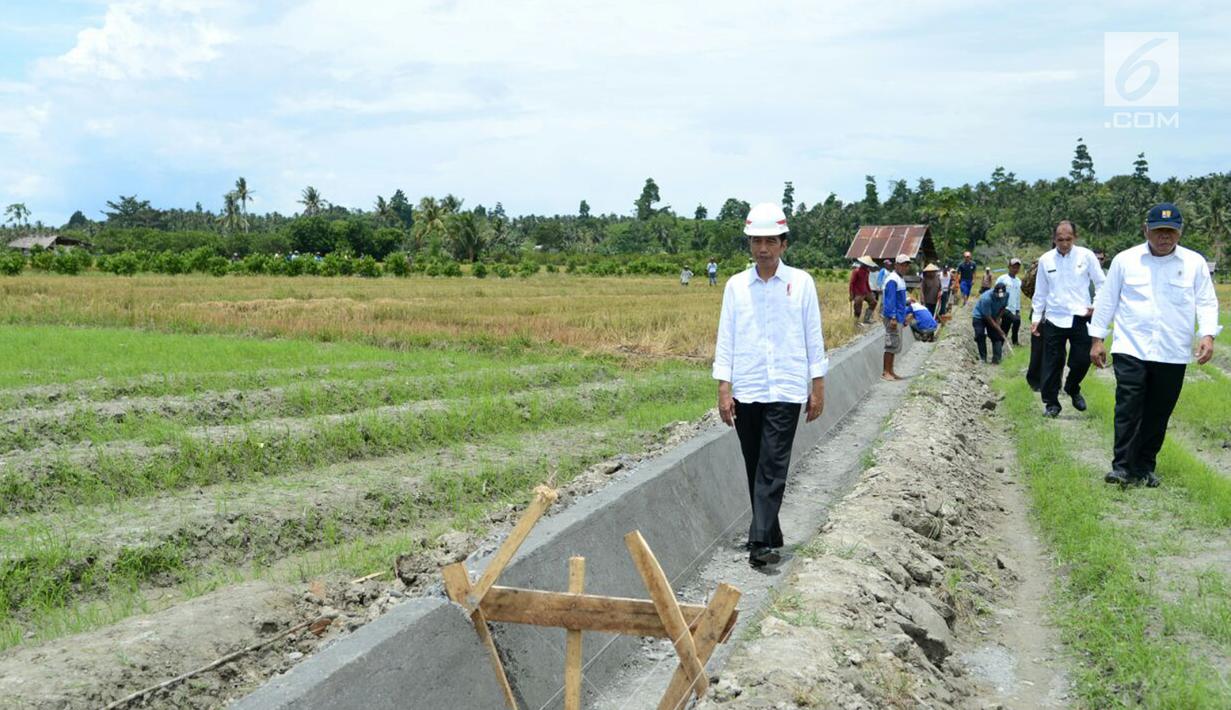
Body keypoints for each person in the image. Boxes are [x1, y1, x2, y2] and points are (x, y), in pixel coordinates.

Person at [713, 202, 827, 568]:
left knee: (773, 464)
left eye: (770, 241)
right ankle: (772, 531)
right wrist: (724, 387)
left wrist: (818, 385)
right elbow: (726, 337)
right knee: (754, 463)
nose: (763, 248)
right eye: (756, 241)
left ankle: (759, 539)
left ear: (784, 244)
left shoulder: (801, 283)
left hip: (787, 388)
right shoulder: (735, 287)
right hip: (747, 387)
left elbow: (814, 336)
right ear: (749, 244)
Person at [1090, 203, 1220, 487]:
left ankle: (1145, 466)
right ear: (1145, 229)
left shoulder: (1194, 263)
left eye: (1171, 232)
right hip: (1131, 347)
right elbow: (1107, 301)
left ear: (1180, 232)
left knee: (1158, 411)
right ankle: (1122, 467)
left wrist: (1207, 334)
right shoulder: (1126, 260)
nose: (1165, 237)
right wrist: (1098, 339)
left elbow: (1207, 302)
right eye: (1159, 231)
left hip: (1172, 351)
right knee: (1128, 406)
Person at [1032, 220, 1105, 417]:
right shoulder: (1046, 260)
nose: (1064, 243)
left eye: (1068, 239)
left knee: (1082, 360)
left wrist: (1096, 305)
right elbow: (1041, 291)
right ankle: (1051, 403)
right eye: (1060, 239)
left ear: (1075, 237)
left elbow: (1101, 283)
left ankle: (1072, 387)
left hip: (1081, 316)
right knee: (1052, 363)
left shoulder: (1086, 256)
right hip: (1055, 318)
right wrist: (1036, 317)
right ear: (1054, 239)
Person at [881, 254, 912, 381]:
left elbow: (901, 301)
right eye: (902, 264)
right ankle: (885, 372)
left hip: (898, 316)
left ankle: (891, 370)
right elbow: (890, 300)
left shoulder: (900, 279)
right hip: (892, 317)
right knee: (890, 344)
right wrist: (893, 317)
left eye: (906, 265)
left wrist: (902, 316)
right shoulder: (893, 279)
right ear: (896, 265)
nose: (904, 267)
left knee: (894, 345)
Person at [972, 282, 1010, 363]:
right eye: (998, 296)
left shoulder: (1006, 295)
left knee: (997, 336)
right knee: (980, 335)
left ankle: (996, 359)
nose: (1000, 298)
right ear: (994, 292)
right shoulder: (986, 298)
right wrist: (998, 328)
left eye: (1002, 296)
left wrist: (998, 318)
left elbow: (1003, 307)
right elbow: (987, 317)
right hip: (980, 316)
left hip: (994, 315)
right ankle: (983, 358)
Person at [1021, 258, 1043, 390]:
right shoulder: (1042, 263)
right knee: (1042, 348)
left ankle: (1039, 382)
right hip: (1041, 311)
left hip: (1056, 312)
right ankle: (1038, 381)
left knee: (1040, 348)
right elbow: (1026, 285)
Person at [995, 258, 1024, 346]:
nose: (1015, 269)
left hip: (1013, 308)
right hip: (1003, 307)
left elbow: (1017, 297)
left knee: (1005, 328)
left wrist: (1018, 310)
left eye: (1017, 268)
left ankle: (1000, 345)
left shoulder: (1018, 281)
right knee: (1016, 320)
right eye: (1013, 267)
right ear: (1009, 267)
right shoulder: (1002, 278)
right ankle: (1014, 342)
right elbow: (996, 291)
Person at [849, 256, 878, 324]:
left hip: (866, 291)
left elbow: (866, 282)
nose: (867, 266)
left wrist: (870, 291)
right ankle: (856, 322)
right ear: (863, 264)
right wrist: (851, 294)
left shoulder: (867, 271)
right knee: (858, 307)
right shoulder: (856, 271)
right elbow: (852, 283)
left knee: (874, 302)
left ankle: (867, 318)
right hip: (858, 292)